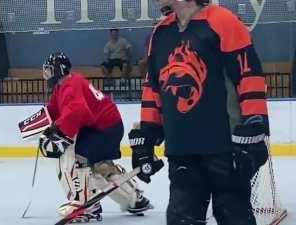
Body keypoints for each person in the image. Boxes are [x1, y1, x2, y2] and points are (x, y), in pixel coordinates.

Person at [128, 1, 270, 225]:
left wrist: (255, 124)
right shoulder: (161, 32)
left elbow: (248, 76)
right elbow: (153, 87)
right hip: (181, 149)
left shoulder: (223, 22)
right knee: (180, 219)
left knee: (235, 216)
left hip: (225, 149)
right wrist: (148, 132)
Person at [38, 52, 153, 222]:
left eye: (48, 70)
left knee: (78, 158)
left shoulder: (70, 85)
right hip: (104, 127)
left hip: (105, 129)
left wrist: (59, 130)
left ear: (58, 69)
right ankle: (134, 198)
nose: (46, 74)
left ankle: (86, 205)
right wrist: (44, 124)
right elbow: (54, 110)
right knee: (100, 167)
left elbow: (77, 111)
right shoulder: (64, 85)